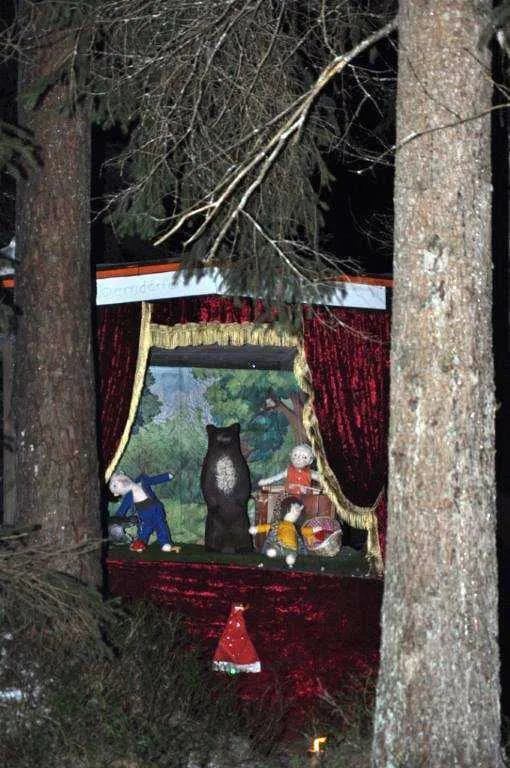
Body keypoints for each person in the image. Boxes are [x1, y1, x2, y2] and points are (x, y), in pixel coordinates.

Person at [109, 471, 180, 553]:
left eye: (117, 491)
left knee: (161, 526)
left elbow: (154, 480)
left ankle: (165, 543)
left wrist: (166, 476)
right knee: (144, 530)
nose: (116, 495)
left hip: (156, 509)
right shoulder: (129, 495)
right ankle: (140, 544)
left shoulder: (143, 482)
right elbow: (122, 509)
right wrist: (115, 519)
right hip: (143, 514)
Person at [249, 495, 306, 567]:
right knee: (275, 547)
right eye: (295, 509)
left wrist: (313, 530)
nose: (297, 514)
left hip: (292, 549)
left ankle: (290, 559)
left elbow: (304, 531)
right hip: (279, 545)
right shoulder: (278, 524)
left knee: (293, 554)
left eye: (298, 512)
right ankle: (274, 552)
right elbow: (267, 527)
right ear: (287, 509)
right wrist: (256, 529)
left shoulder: (295, 528)